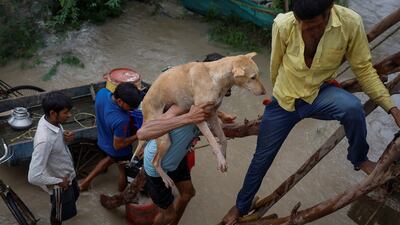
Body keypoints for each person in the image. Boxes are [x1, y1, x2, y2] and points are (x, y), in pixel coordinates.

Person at [222, 1, 400, 224]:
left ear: (329, 13)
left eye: (313, 26)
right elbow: (275, 65)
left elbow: (363, 69)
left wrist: (391, 107)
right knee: (262, 158)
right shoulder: (283, 24)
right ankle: (240, 206)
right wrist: (277, 100)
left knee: (352, 108)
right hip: (285, 99)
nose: (305, 29)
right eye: (301, 23)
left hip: (319, 93)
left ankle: (359, 158)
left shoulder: (350, 23)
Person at [79, 82, 142, 192]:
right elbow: (118, 145)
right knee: (123, 170)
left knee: (108, 160)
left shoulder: (102, 93)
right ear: (119, 101)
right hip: (117, 150)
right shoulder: (121, 119)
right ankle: (121, 193)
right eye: (130, 106)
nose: (132, 109)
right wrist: (138, 134)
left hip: (102, 137)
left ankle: (85, 183)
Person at [28, 92, 78, 225]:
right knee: (58, 214)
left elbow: (56, 143)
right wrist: (58, 181)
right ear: (53, 113)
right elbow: (33, 177)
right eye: (65, 113)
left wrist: (65, 137)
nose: (69, 115)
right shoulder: (44, 141)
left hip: (68, 176)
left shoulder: (49, 121)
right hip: (60, 185)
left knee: (69, 203)